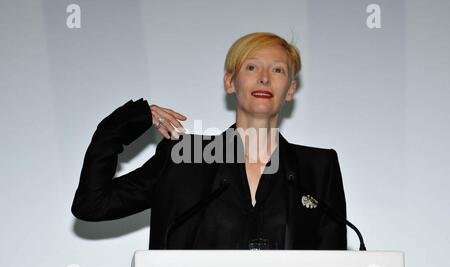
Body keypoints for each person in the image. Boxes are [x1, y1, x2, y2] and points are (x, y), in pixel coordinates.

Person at [71, 32, 347, 250]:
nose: (264, 78)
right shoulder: (184, 158)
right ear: (230, 83)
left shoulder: (318, 169)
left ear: (291, 90)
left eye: (277, 70)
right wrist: (126, 123)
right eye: (251, 67)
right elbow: (92, 203)